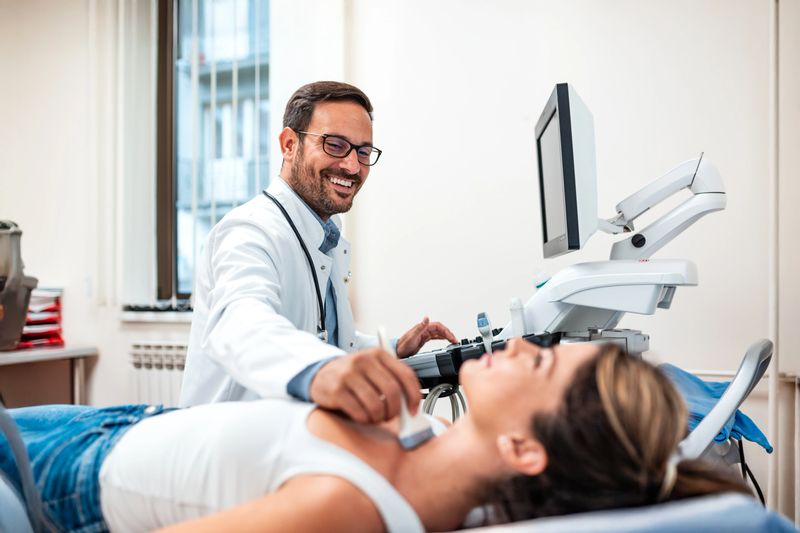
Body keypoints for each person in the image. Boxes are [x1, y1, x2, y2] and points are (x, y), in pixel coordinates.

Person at [1, 340, 750, 533]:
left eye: (544, 359)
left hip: (62, 478)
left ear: (525, 451)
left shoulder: (348, 506)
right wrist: (329, 371)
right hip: (118, 426)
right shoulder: (425, 446)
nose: (521, 346)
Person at [180, 80, 458, 423]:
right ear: (289, 144)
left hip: (291, 436)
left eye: (363, 152)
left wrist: (396, 347)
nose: (353, 167)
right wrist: (324, 373)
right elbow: (242, 324)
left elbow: (327, 342)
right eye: (335, 145)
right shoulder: (251, 231)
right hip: (233, 443)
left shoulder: (325, 237)